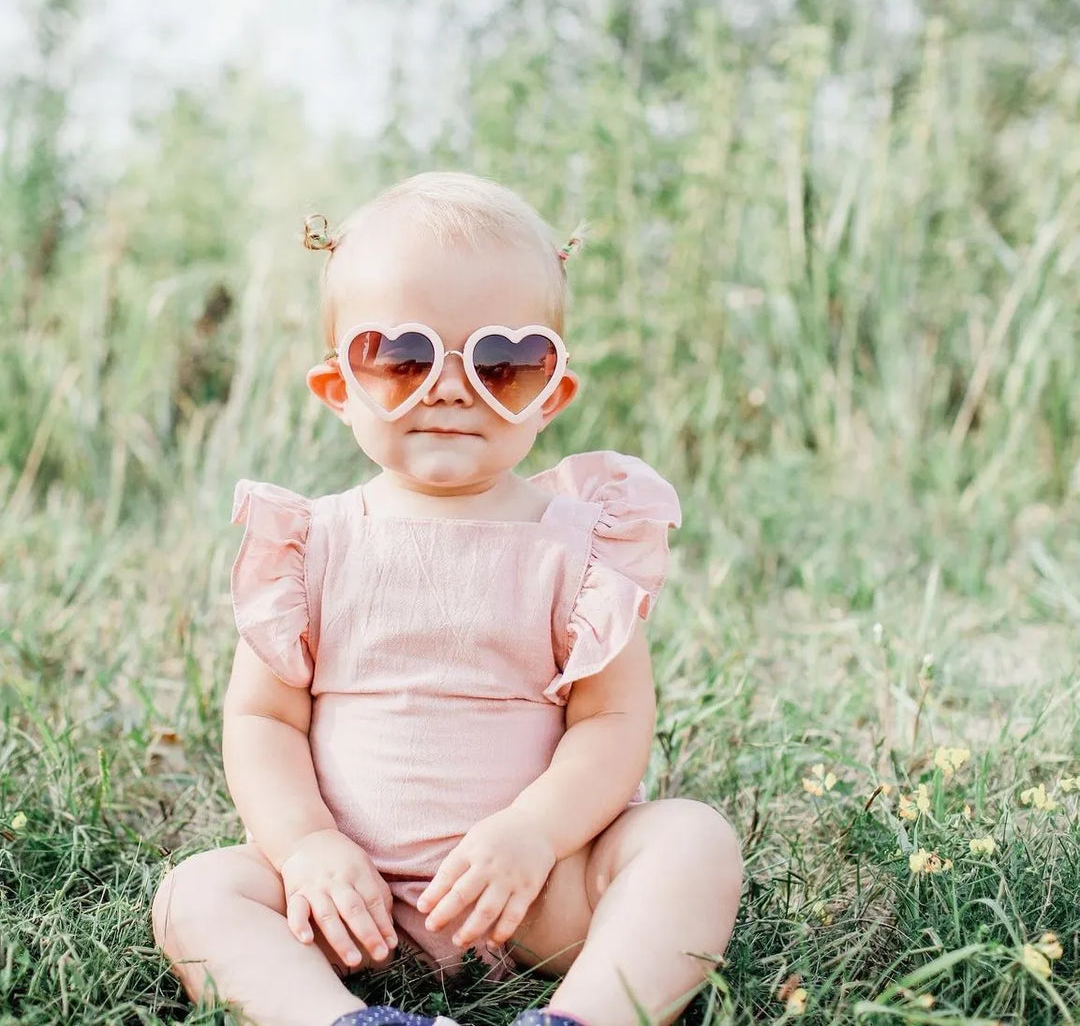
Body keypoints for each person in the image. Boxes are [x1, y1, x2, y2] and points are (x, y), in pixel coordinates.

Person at [151, 172, 742, 1026]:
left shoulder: (581, 548)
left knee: (693, 842)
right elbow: (263, 721)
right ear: (337, 390)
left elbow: (611, 723)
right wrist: (308, 845)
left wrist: (535, 834)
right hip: (350, 903)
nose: (452, 386)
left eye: (504, 362)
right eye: (403, 357)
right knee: (196, 894)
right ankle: (342, 1020)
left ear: (553, 393)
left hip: (539, 891)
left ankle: (578, 1017)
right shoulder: (308, 546)